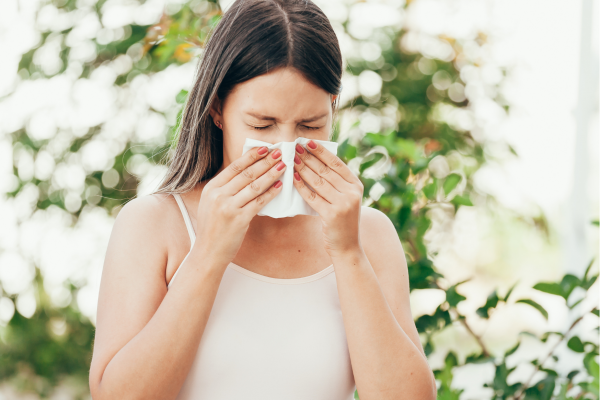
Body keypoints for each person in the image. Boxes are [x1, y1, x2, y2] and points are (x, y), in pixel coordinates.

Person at [88, 0, 437, 399]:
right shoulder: (154, 225)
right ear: (217, 108)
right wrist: (208, 253)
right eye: (262, 124)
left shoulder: (368, 234)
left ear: (333, 110)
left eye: (310, 124)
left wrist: (347, 252)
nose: (285, 147)